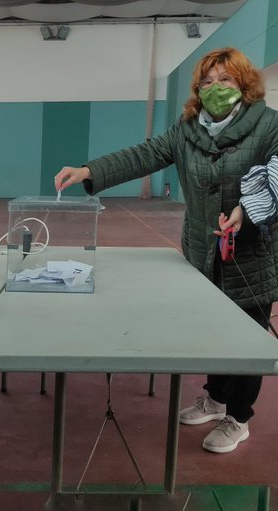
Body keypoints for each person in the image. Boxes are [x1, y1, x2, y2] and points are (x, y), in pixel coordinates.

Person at [55, 47, 278, 454]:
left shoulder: (269, 126)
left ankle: (238, 417)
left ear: (244, 84)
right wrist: (89, 170)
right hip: (201, 248)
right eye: (207, 82)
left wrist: (246, 208)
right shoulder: (188, 129)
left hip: (251, 254)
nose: (216, 88)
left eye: (225, 79)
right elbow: (145, 154)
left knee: (246, 335)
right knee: (212, 331)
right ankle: (215, 398)